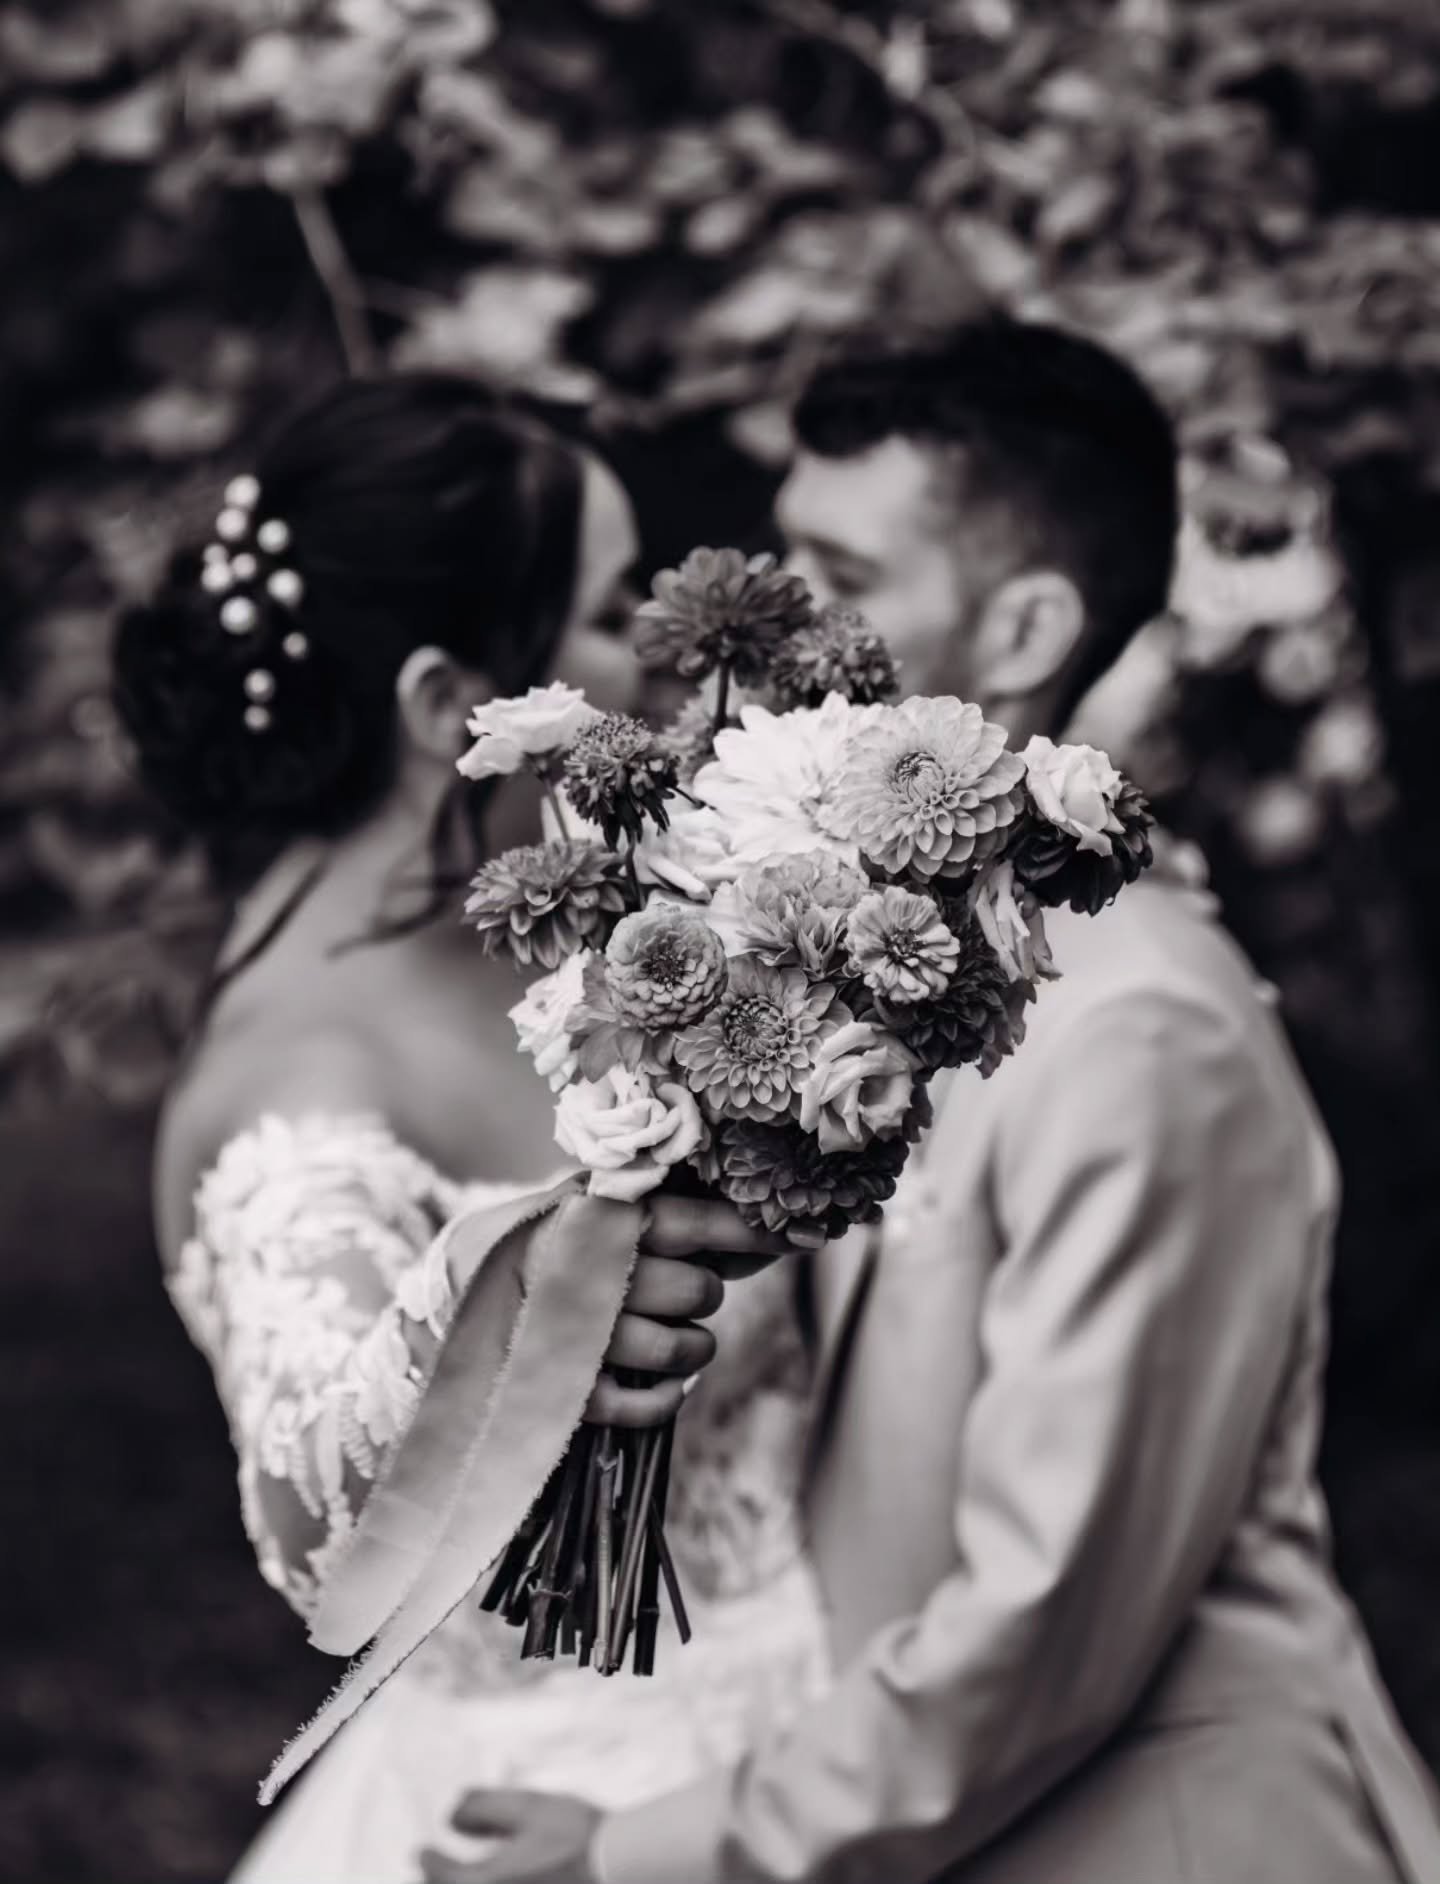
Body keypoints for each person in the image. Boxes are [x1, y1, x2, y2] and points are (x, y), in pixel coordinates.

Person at [463, 323, 1440, 1884]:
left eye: (842, 583)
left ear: (1025, 624)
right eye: (780, 571)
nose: (782, 634)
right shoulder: (849, 965)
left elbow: (1048, 1612)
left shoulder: (1142, 1031)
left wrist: (644, 1853)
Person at [114, 374, 822, 1884]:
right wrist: (522, 1293)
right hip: (540, 1822)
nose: (653, 655)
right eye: (608, 608)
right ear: (450, 707)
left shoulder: (549, 933)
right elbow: (338, 1534)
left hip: (806, 1748)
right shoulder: (299, 1089)